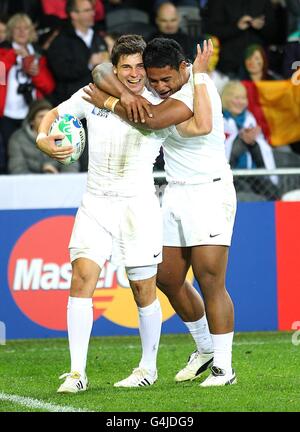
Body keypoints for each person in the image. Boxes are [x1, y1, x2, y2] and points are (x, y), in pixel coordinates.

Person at [36, 35, 212, 392]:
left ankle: (147, 368)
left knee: (142, 288)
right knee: (81, 277)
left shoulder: (156, 103)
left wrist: (199, 76)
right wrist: (43, 138)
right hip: (96, 201)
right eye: (126, 68)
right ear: (115, 70)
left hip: (138, 205)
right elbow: (56, 114)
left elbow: (157, 118)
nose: (134, 75)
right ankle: (76, 373)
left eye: (139, 68)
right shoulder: (92, 93)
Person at [90, 37, 237, 387]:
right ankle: (204, 348)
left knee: (210, 280)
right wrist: (125, 95)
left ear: (184, 68)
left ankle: (224, 368)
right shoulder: (160, 92)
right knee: (167, 277)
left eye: (165, 79)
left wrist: (110, 102)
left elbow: (153, 120)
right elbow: (98, 70)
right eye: (153, 80)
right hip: (174, 194)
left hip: (210, 193)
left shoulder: (196, 90)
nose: (158, 86)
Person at [0, 13, 55, 173]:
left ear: (31, 31)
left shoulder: (38, 53)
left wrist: (36, 73)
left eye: (26, 28)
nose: (22, 32)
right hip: (7, 113)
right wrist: (12, 56)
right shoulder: (3, 51)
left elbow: (48, 87)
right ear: (10, 31)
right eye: (17, 28)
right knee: (8, 154)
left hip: (31, 112)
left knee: (33, 150)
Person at [221, 80, 280, 201]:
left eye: (243, 98)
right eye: (236, 97)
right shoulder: (219, 120)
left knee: (274, 194)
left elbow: (263, 155)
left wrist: (254, 143)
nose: (241, 102)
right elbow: (223, 154)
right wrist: (240, 140)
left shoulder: (250, 119)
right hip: (232, 177)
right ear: (226, 99)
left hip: (254, 174)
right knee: (247, 195)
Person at [46, 0, 109, 105]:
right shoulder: (60, 41)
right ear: (74, 15)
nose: (93, 13)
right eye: (87, 10)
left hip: (99, 99)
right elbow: (61, 72)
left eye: (92, 9)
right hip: (73, 101)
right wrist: (88, 64)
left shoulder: (98, 37)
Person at [8, 99, 79, 174]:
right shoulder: (17, 139)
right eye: (41, 116)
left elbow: (71, 166)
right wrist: (42, 176)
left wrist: (58, 179)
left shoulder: (64, 136)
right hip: (29, 184)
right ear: (32, 121)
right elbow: (17, 169)